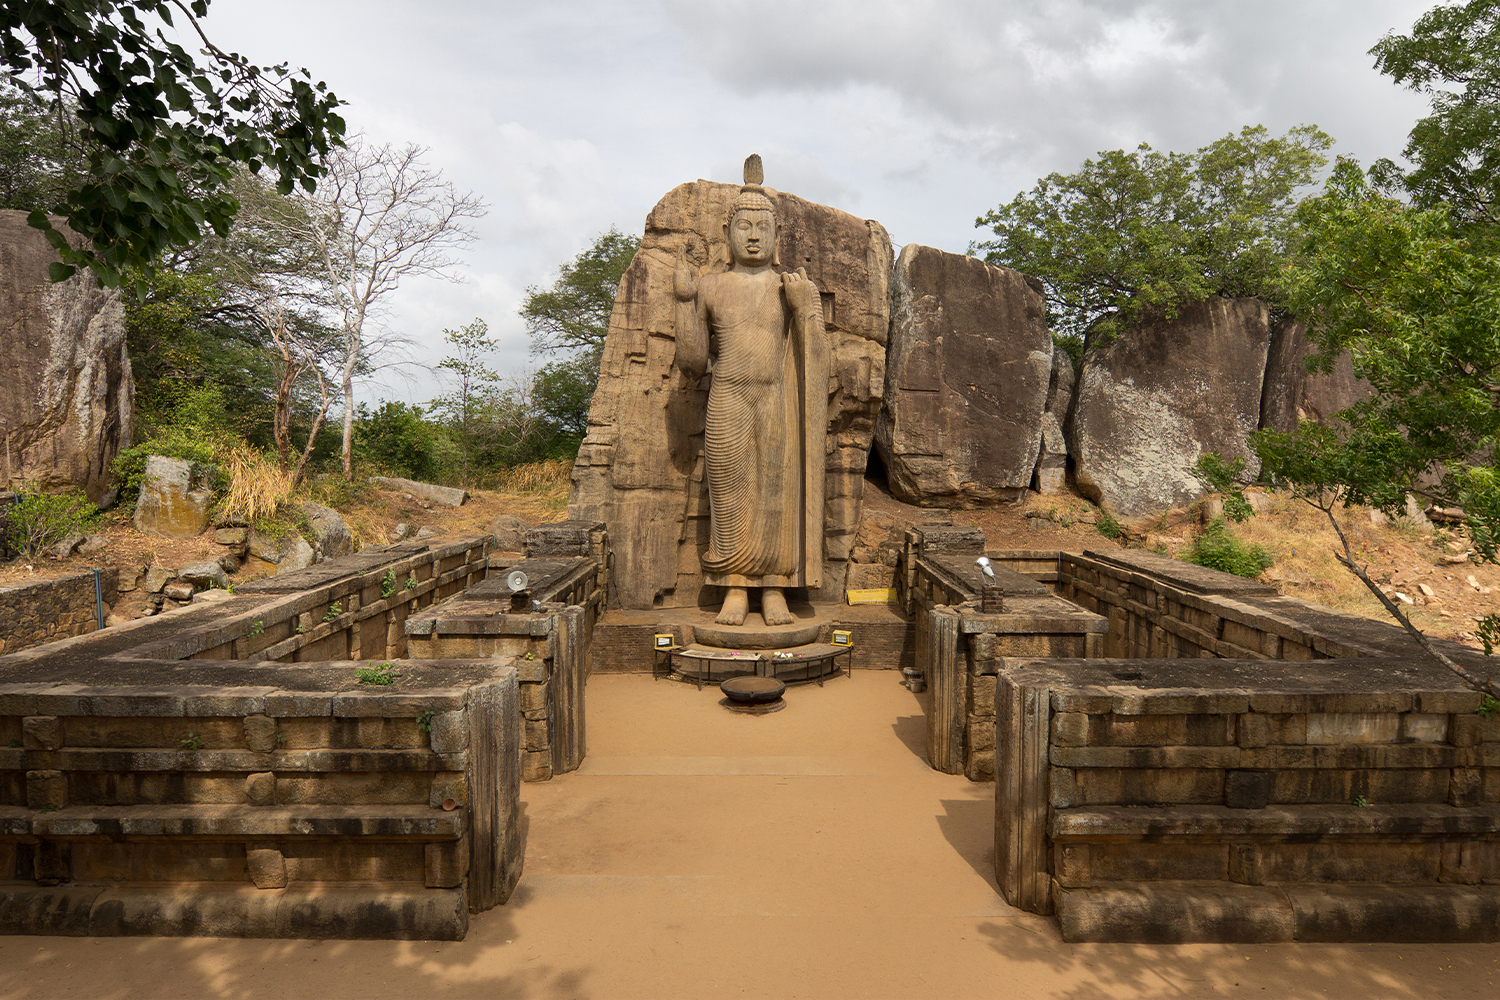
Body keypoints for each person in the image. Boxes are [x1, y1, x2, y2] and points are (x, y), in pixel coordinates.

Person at [673, 155, 827, 626]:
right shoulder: (712, 286)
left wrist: (804, 309)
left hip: (777, 397)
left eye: (763, 226)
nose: (754, 235)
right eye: (745, 226)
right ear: (729, 233)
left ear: (778, 236)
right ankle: (735, 588)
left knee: (778, 493)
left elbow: (818, 358)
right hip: (729, 396)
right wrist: (683, 302)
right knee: (729, 494)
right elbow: (694, 362)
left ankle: (776, 588)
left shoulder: (791, 286)